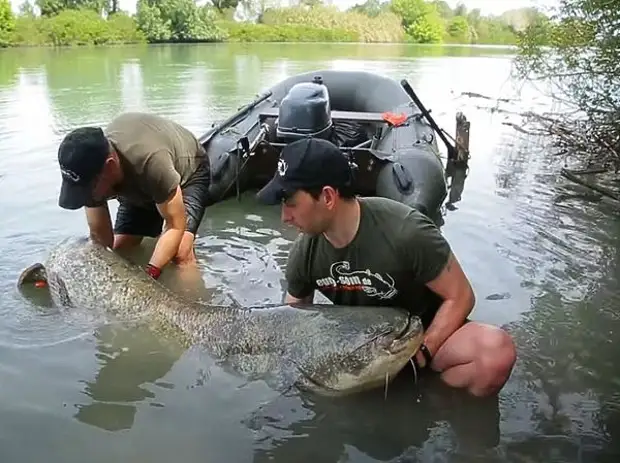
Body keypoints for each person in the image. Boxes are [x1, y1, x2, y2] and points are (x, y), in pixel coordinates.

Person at [255, 137, 517, 398]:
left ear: (327, 196)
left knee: (495, 353)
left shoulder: (407, 231)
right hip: (362, 351)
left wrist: (421, 355)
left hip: (425, 343)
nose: (284, 217)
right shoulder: (305, 252)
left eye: (290, 203)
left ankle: (430, 402)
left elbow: (461, 297)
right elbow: (291, 327)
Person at [56, 112, 211, 281]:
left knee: (181, 252)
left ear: (110, 167)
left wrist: (150, 275)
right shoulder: (89, 175)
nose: (88, 197)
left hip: (188, 172)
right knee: (120, 249)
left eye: (88, 191)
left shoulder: (152, 162)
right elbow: (101, 240)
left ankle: (191, 304)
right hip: (138, 185)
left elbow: (175, 225)